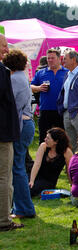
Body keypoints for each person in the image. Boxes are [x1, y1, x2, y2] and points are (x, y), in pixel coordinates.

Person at [3, 49, 36, 218]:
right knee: (18, 166)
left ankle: (24, 208)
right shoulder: (21, 76)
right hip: (26, 123)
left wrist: (13, 131)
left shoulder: (14, 79)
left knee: (17, 168)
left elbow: (13, 107)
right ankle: (21, 207)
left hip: (21, 125)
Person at [0, 32, 22, 231]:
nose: (7, 49)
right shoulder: (2, 71)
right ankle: (4, 220)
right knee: (4, 176)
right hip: (3, 132)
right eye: (4, 45)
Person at [31, 48, 68, 144]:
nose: (50, 60)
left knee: (61, 138)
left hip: (61, 110)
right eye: (48, 58)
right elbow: (30, 86)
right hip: (45, 110)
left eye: (53, 58)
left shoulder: (67, 72)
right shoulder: (41, 73)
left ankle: (61, 158)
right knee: (44, 137)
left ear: (59, 59)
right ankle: (43, 158)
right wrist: (39, 88)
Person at [29, 127, 73, 197]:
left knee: (30, 190)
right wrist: (31, 180)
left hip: (48, 181)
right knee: (21, 184)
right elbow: (37, 164)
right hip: (36, 175)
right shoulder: (43, 146)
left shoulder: (66, 152)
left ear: (56, 141)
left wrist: (72, 186)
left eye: (48, 138)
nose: (45, 140)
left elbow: (69, 170)